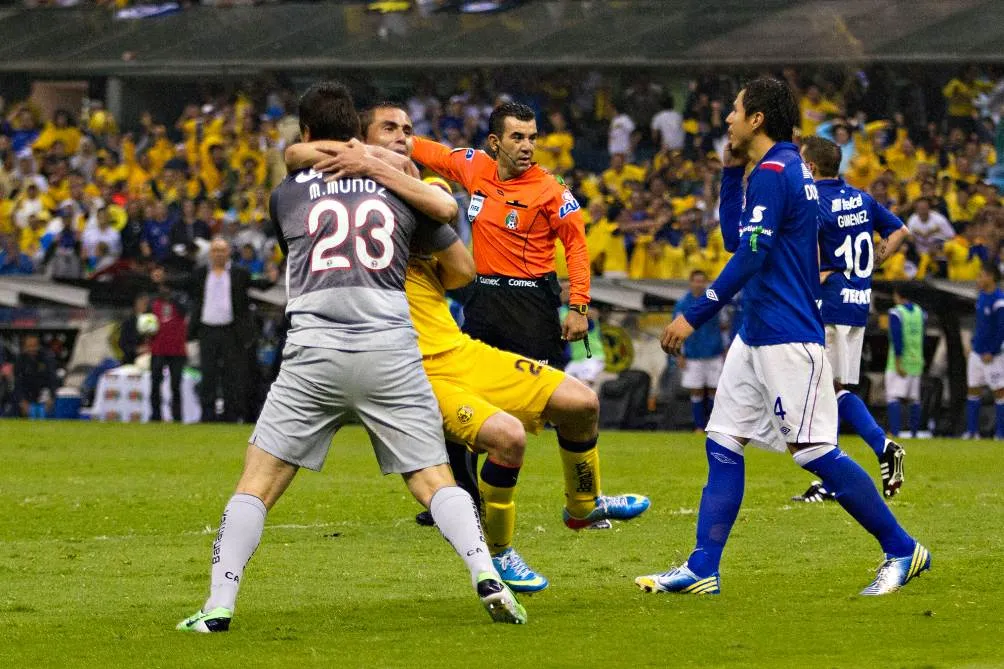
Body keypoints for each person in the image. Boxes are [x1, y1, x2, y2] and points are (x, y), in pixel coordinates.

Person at [176, 81, 524, 634]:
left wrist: (314, 155)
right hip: (391, 348)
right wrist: (388, 168)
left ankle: (218, 606)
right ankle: (487, 575)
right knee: (435, 481)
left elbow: (294, 172)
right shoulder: (403, 190)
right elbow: (450, 230)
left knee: (257, 483)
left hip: (314, 351)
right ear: (358, 134)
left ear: (309, 132)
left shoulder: (287, 193)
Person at [287, 103, 649, 594]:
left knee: (582, 402)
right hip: (407, 364)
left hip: (496, 319)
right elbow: (295, 155)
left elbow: (453, 234)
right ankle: (496, 548)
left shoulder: (437, 190)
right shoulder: (338, 200)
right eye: (389, 130)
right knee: (505, 438)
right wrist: (365, 161)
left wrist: (578, 302)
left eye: (408, 131)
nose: (403, 138)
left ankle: (583, 507)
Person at [635, 77, 929, 597]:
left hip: (790, 334)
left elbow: (749, 256)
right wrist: (729, 172)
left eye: (734, 111)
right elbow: (736, 238)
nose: (726, 119)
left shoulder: (776, 171)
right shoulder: (778, 168)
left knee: (813, 450)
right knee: (724, 439)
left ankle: (903, 549)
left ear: (756, 120)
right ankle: (704, 566)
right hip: (756, 333)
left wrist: (695, 315)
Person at [410, 102, 592, 524]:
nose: (528, 146)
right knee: (457, 400)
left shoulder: (551, 189)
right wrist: (378, 141)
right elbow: (428, 151)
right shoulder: (474, 167)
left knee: (553, 405)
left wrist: (579, 305)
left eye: (532, 137)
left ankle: (582, 497)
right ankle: (460, 498)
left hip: (531, 305)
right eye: (518, 137)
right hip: (484, 300)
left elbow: (577, 246)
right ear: (495, 142)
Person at [794, 135, 911, 502]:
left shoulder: (814, 202)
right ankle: (833, 478)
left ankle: (881, 446)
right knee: (831, 390)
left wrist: (818, 278)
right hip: (857, 303)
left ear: (810, 167)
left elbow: (811, 257)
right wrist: (875, 261)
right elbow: (900, 231)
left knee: (826, 390)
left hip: (829, 306)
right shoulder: (861, 198)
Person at [179, 237, 275, 422]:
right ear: (210, 253)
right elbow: (183, 282)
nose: (219, 254)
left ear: (228, 252)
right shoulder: (200, 274)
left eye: (222, 250)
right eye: (215, 250)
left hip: (231, 332)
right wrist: (162, 279)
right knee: (208, 373)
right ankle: (207, 414)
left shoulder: (239, 273)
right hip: (207, 331)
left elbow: (258, 284)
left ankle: (232, 414)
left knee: (232, 374)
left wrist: (271, 279)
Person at [672, 269, 724, 432]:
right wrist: (679, 354)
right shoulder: (682, 304)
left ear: (706, 282)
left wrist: (726, 347)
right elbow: (677, 330)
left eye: (702, 281)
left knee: (715, 389)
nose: (699, 284)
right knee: (696, 390)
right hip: (693, 354)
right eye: (696, 280)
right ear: (691, 282)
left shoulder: (714, 300)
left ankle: (712, 424)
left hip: (714, 351)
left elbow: (724, 324)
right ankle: (699, 426)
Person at [963, 264, 1004, 439]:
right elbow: (979, 325)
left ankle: (1000, 433)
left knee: (999, 391)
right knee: (973, 389)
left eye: (981, 276)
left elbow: (1001, 328)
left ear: (991, 277)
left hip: (992, 355)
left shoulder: (999, 300)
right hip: (976, 352)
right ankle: (972, 432)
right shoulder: (980, 297)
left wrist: (992, 350)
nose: (978, 279)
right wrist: (972, 343)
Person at [149, 266, 189, 422]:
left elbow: (185, 312)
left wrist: (173, 298)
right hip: (158, 348)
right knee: (155, 383)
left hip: (177, 350)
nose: (164, 290)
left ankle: (177, 416)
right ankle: (155, 415)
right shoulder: (153, 302)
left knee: (175, 385)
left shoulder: (180, 302)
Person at [886, 285, 926, 438]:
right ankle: (914, 433)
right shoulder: (920, 312)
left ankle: (895, 432)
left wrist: (897, 361)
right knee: (914, 398)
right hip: (916, 360)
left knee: (893, 397)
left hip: (900, 361)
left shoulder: (896, 313)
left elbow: (897, 338)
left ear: (898, 295)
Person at [13, 334, 59, 418]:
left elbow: (53, 380)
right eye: (29, 346)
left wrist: (52, 398)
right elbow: (18, 383)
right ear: (25, 347)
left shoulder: (47, 358)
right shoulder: (20, 360)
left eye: (34, 346)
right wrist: (22, 401)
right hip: (27, 395)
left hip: (44, 395)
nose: (32, 349)